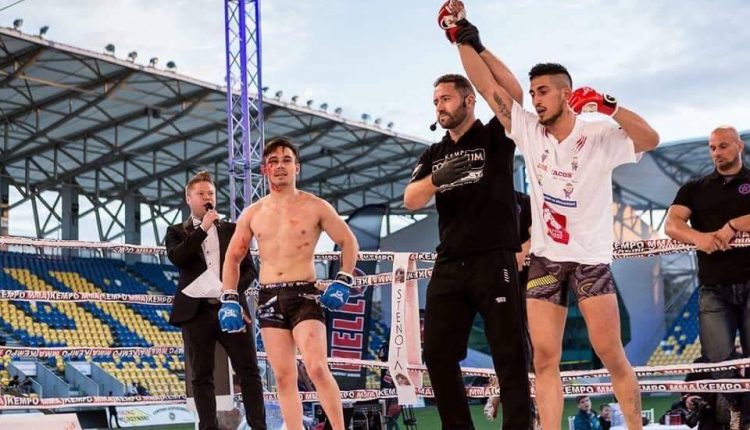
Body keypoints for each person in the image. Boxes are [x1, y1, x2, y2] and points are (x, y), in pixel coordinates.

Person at [448, 5, 660, 429]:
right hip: (546, 260)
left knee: (611, 354)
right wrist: (459, 34)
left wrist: (610, 107)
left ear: (567, 93)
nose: (535, 99)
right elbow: (487, 87)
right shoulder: (530, 131)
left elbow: (650, 139)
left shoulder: (597, 134)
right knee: (544, 359)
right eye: (532, 92)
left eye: (543, 91)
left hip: (590, 261)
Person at [404, 67, 532, 430]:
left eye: (446, 98)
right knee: (437, 353)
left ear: (469, 100)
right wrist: (436, 179)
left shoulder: (494, 136)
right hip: (449, 262)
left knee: (509, 353)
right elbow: (411, 199)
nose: (439, 106)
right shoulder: (434, 152)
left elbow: (513, 97)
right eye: (435, 101)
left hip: (494, 258)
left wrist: (472, 46)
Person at [219, 137, 359, 430]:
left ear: (297, 167)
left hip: (305, 294)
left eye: (286, 160)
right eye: (273, 161)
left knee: (317, 368)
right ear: (265, 169)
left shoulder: (316, 206)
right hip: (270, 296)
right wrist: (229, 297)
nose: (280, 166)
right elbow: (232, 257)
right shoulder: (253, 212)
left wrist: (344, 279)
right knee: (283, 377)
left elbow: (348, 241)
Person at [165, 171, 266, 430]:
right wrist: (203, 229)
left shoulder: (232, 230)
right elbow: (178, 258)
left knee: (249, 371)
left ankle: (259, 426)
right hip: (196, 312)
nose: (207, 197)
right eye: (201, 194)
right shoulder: (176, 231)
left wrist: (229, 291)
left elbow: (249, 270)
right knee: (201, 375)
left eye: (210, 193)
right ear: (189, 199)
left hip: (229, 308)